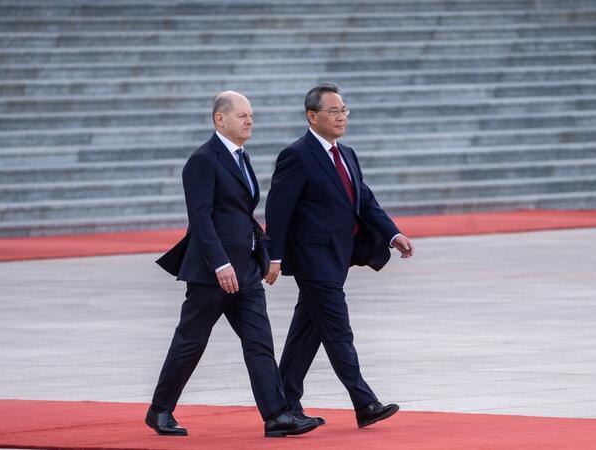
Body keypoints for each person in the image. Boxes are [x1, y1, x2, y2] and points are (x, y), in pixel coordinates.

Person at [147, 91, 319, 438]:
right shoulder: (202, 161)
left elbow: (241, 215)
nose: (249, 121)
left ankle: (276, 415)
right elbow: (201, 218)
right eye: (242, 115)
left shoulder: (241, 157)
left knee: (259, 342)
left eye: (251, 115)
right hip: (213, 274)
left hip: (246, 272)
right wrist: (219, 263)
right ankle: (160, 410)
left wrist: (264, 253)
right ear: (219, 119)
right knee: (191, 342)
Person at [264, 83, 415, 428]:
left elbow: (365, 200)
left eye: (344, 110)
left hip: (338, 257)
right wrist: (274, 256)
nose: (341, 117)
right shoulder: (296, 155)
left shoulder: (346, 154)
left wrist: (393, 234)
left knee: (307, 331)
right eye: (333, 111)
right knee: (337, 330)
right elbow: (278, 209)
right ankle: (364, 402)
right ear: (311, 116)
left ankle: (284, 402)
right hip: (312, 260)